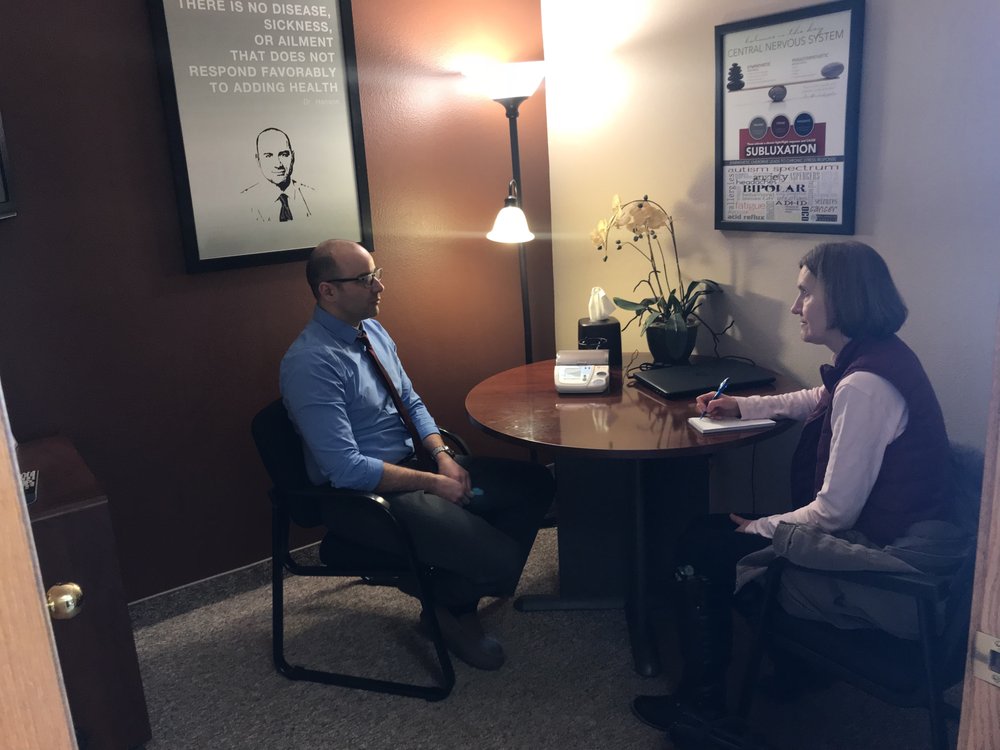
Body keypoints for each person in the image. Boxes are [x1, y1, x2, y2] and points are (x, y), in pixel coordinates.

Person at [632, 241, 951, 730]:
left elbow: (833, 514)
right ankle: (798, 668)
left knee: (703, 542)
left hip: (879, 562)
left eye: (806, 293)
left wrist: (761, 527)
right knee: (723, 531)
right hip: (895, 536)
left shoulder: (864, 386)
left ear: (841, 297)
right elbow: (815, 398)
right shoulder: (876, 357)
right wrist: (743, 406)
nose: (795, 306)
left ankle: (701, 705)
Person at [279, 239, 554, 671]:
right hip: (362, 496)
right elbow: (346, 469)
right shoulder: (311, 363)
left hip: (418, 466)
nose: (380, 286)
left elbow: (410, 400)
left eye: (376, 274)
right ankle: (450, 607)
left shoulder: (371, 331)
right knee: (499, 560)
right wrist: (435, 483)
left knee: (536, 483)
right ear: (327, 290)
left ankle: (451, 598)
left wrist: (443, 457)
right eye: (365, 279)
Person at [241, 127, 315, 222]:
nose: (278, 164)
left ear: (293, 157)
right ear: (258, 160)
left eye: (284, 155)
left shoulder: (313, 195)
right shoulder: (244, 202)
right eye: (268, 156)